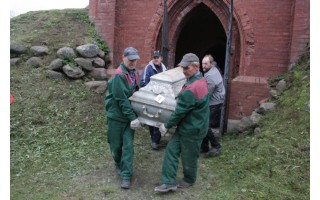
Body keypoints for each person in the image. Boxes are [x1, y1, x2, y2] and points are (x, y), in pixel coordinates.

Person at [154, 53, 209, 193]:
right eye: (182, 67)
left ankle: (189, 179)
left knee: (189, 155)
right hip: (191, 125)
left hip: (192, 129)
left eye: (187, 68)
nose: (183, 70)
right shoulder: (199, 80)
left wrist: (165, 126)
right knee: (171, 150)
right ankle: (168, 182)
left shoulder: (192, 89)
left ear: (196, 67)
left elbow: (179, 113)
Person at [104, 47, 141, 189]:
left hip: (128, 118)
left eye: (135, 59)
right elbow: (122, 100)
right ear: (123, 58)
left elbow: (136, 92)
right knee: (115, 146)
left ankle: (126, 176)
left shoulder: (135, 74)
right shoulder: (119, 75)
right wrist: (133, 117)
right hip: (116, 117)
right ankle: (117, 162)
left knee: (129, 147)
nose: (133, 62)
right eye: (130, 59)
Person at [140, 50, 167, 150]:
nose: (156, 59)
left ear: (161, 58)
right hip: (151, 96)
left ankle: (155, 140)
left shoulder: (164, 69)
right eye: (154, 57)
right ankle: (154, 139)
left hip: (161, 98)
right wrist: (152, 91)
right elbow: (142, 83)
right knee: (151, 118)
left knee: (160, 117)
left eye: (158, 57)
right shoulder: (148, 68)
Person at [200, 54, 225, 156]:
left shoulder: (210, 76)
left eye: (206, 64)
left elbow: (207, 94)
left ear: (211, 63)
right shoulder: (213, 69)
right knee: (204, 124)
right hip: (217, 100)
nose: (204, 66)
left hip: (215, 102)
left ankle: (216, 145)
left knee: (205, 125)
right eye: (202, 63)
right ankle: (205, 147)